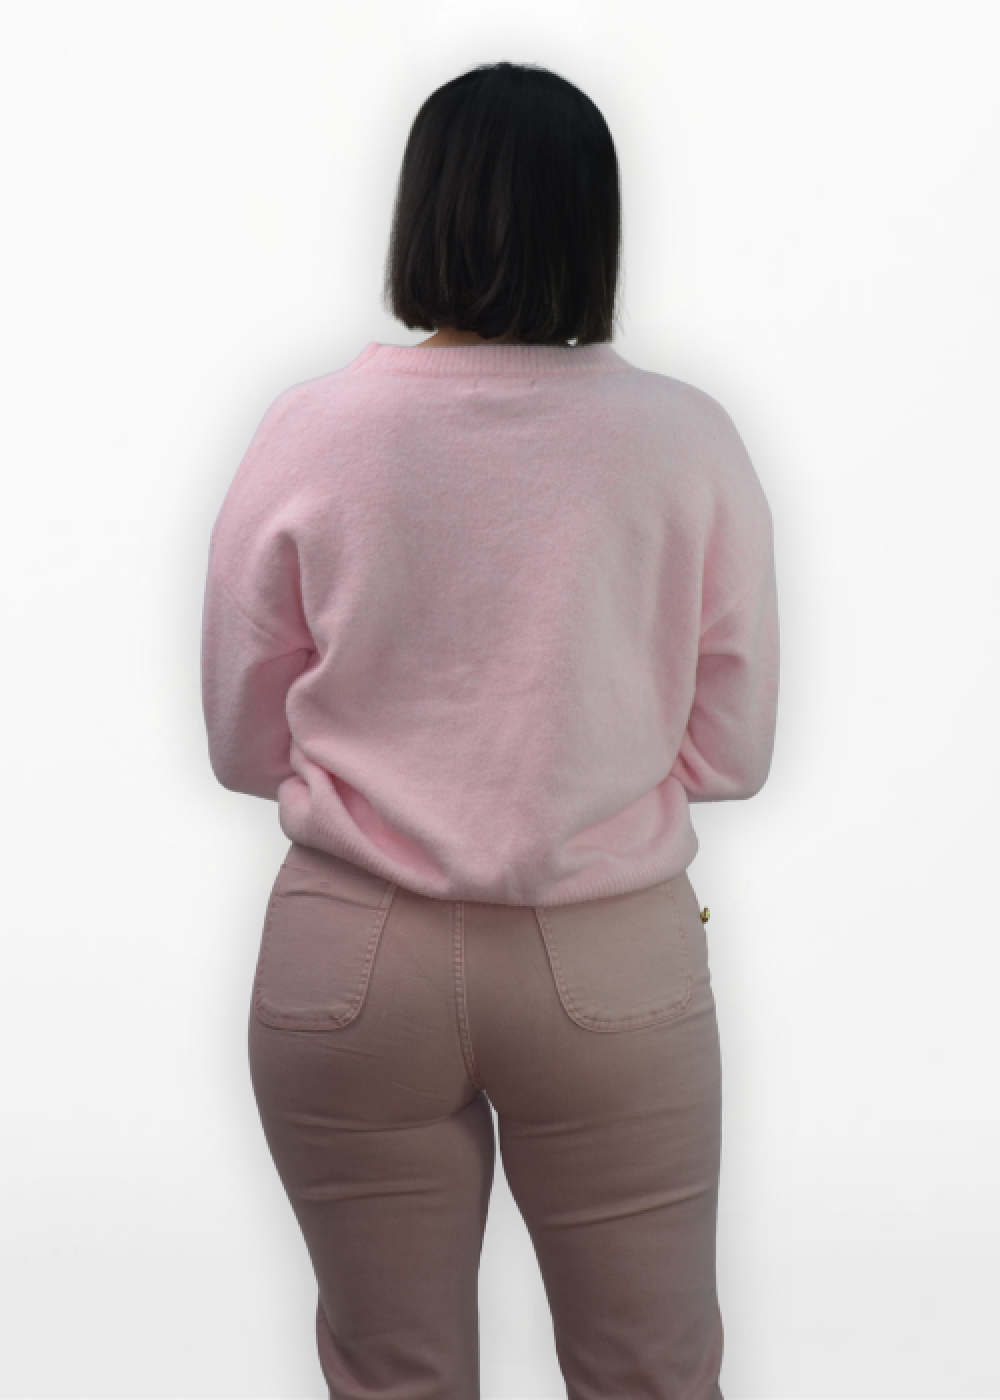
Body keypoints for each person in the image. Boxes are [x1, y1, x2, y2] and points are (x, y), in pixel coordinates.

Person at [200, 59, 780, 1400]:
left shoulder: (312, 430)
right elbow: (733, 753)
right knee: (650, 1375)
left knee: (389, 1374)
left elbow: (242, 739)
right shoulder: (685, 441)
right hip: (608, 952)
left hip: (352, 954)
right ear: (596, 225)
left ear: (422, 216)